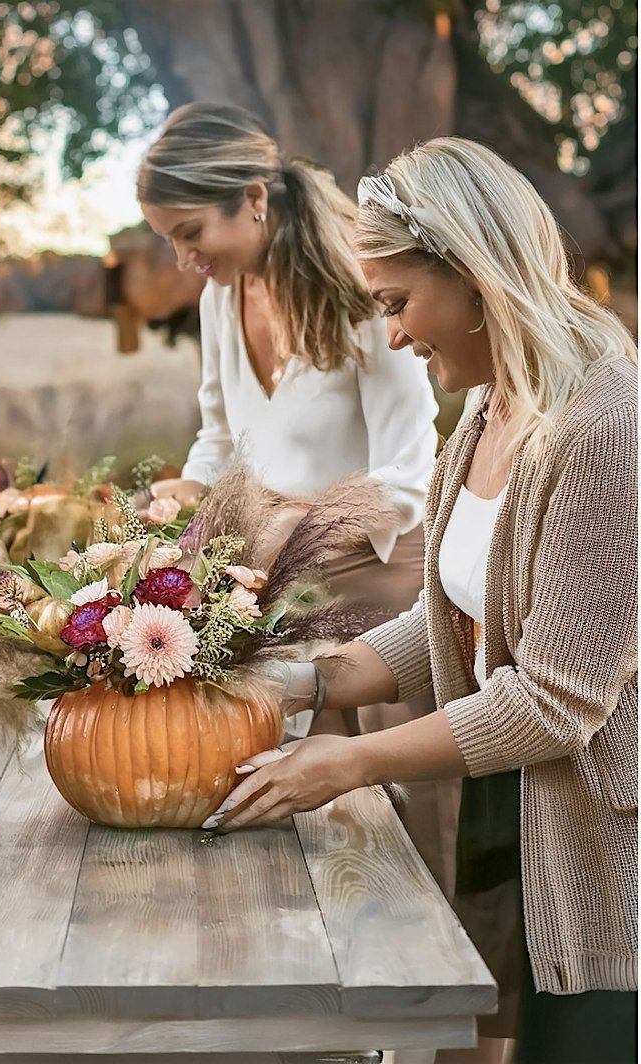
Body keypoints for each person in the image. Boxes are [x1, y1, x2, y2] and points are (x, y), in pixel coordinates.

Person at [207, 137, 637, 1064]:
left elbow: (556, 702)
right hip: (510, 811)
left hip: (605, 846)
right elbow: (442, 620)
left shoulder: (608, 430)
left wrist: (351, 763)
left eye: (398, 304)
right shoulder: (488, 411)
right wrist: (287, 686)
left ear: (478, 274)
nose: (393, 335)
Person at [137, 101, 458, 893]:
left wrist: (300, 527)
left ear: (252, 197)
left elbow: (413, 477)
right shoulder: (222, 297)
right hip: (275, 595)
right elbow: (219, 437)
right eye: (170, 241)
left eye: (189, 234)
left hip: (383, 596)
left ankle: (443, 1009)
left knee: (408, 837)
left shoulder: (363, 296)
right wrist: (187, 495)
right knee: (296, 844)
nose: (185, 261)